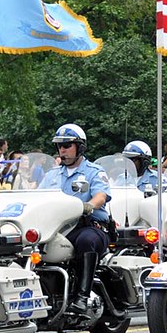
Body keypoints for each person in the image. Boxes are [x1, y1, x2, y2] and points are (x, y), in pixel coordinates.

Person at [39, 124, 111, 315]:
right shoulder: (52, 175)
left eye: (67, 145)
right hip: (57, 228)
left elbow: (101, 196)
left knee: (86, 240)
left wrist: (89, 205)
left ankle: (82, 296)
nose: (62, 150)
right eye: (60, 146)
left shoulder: (94, 171)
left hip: (88, 225)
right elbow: (38, 197)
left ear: (80, 147)